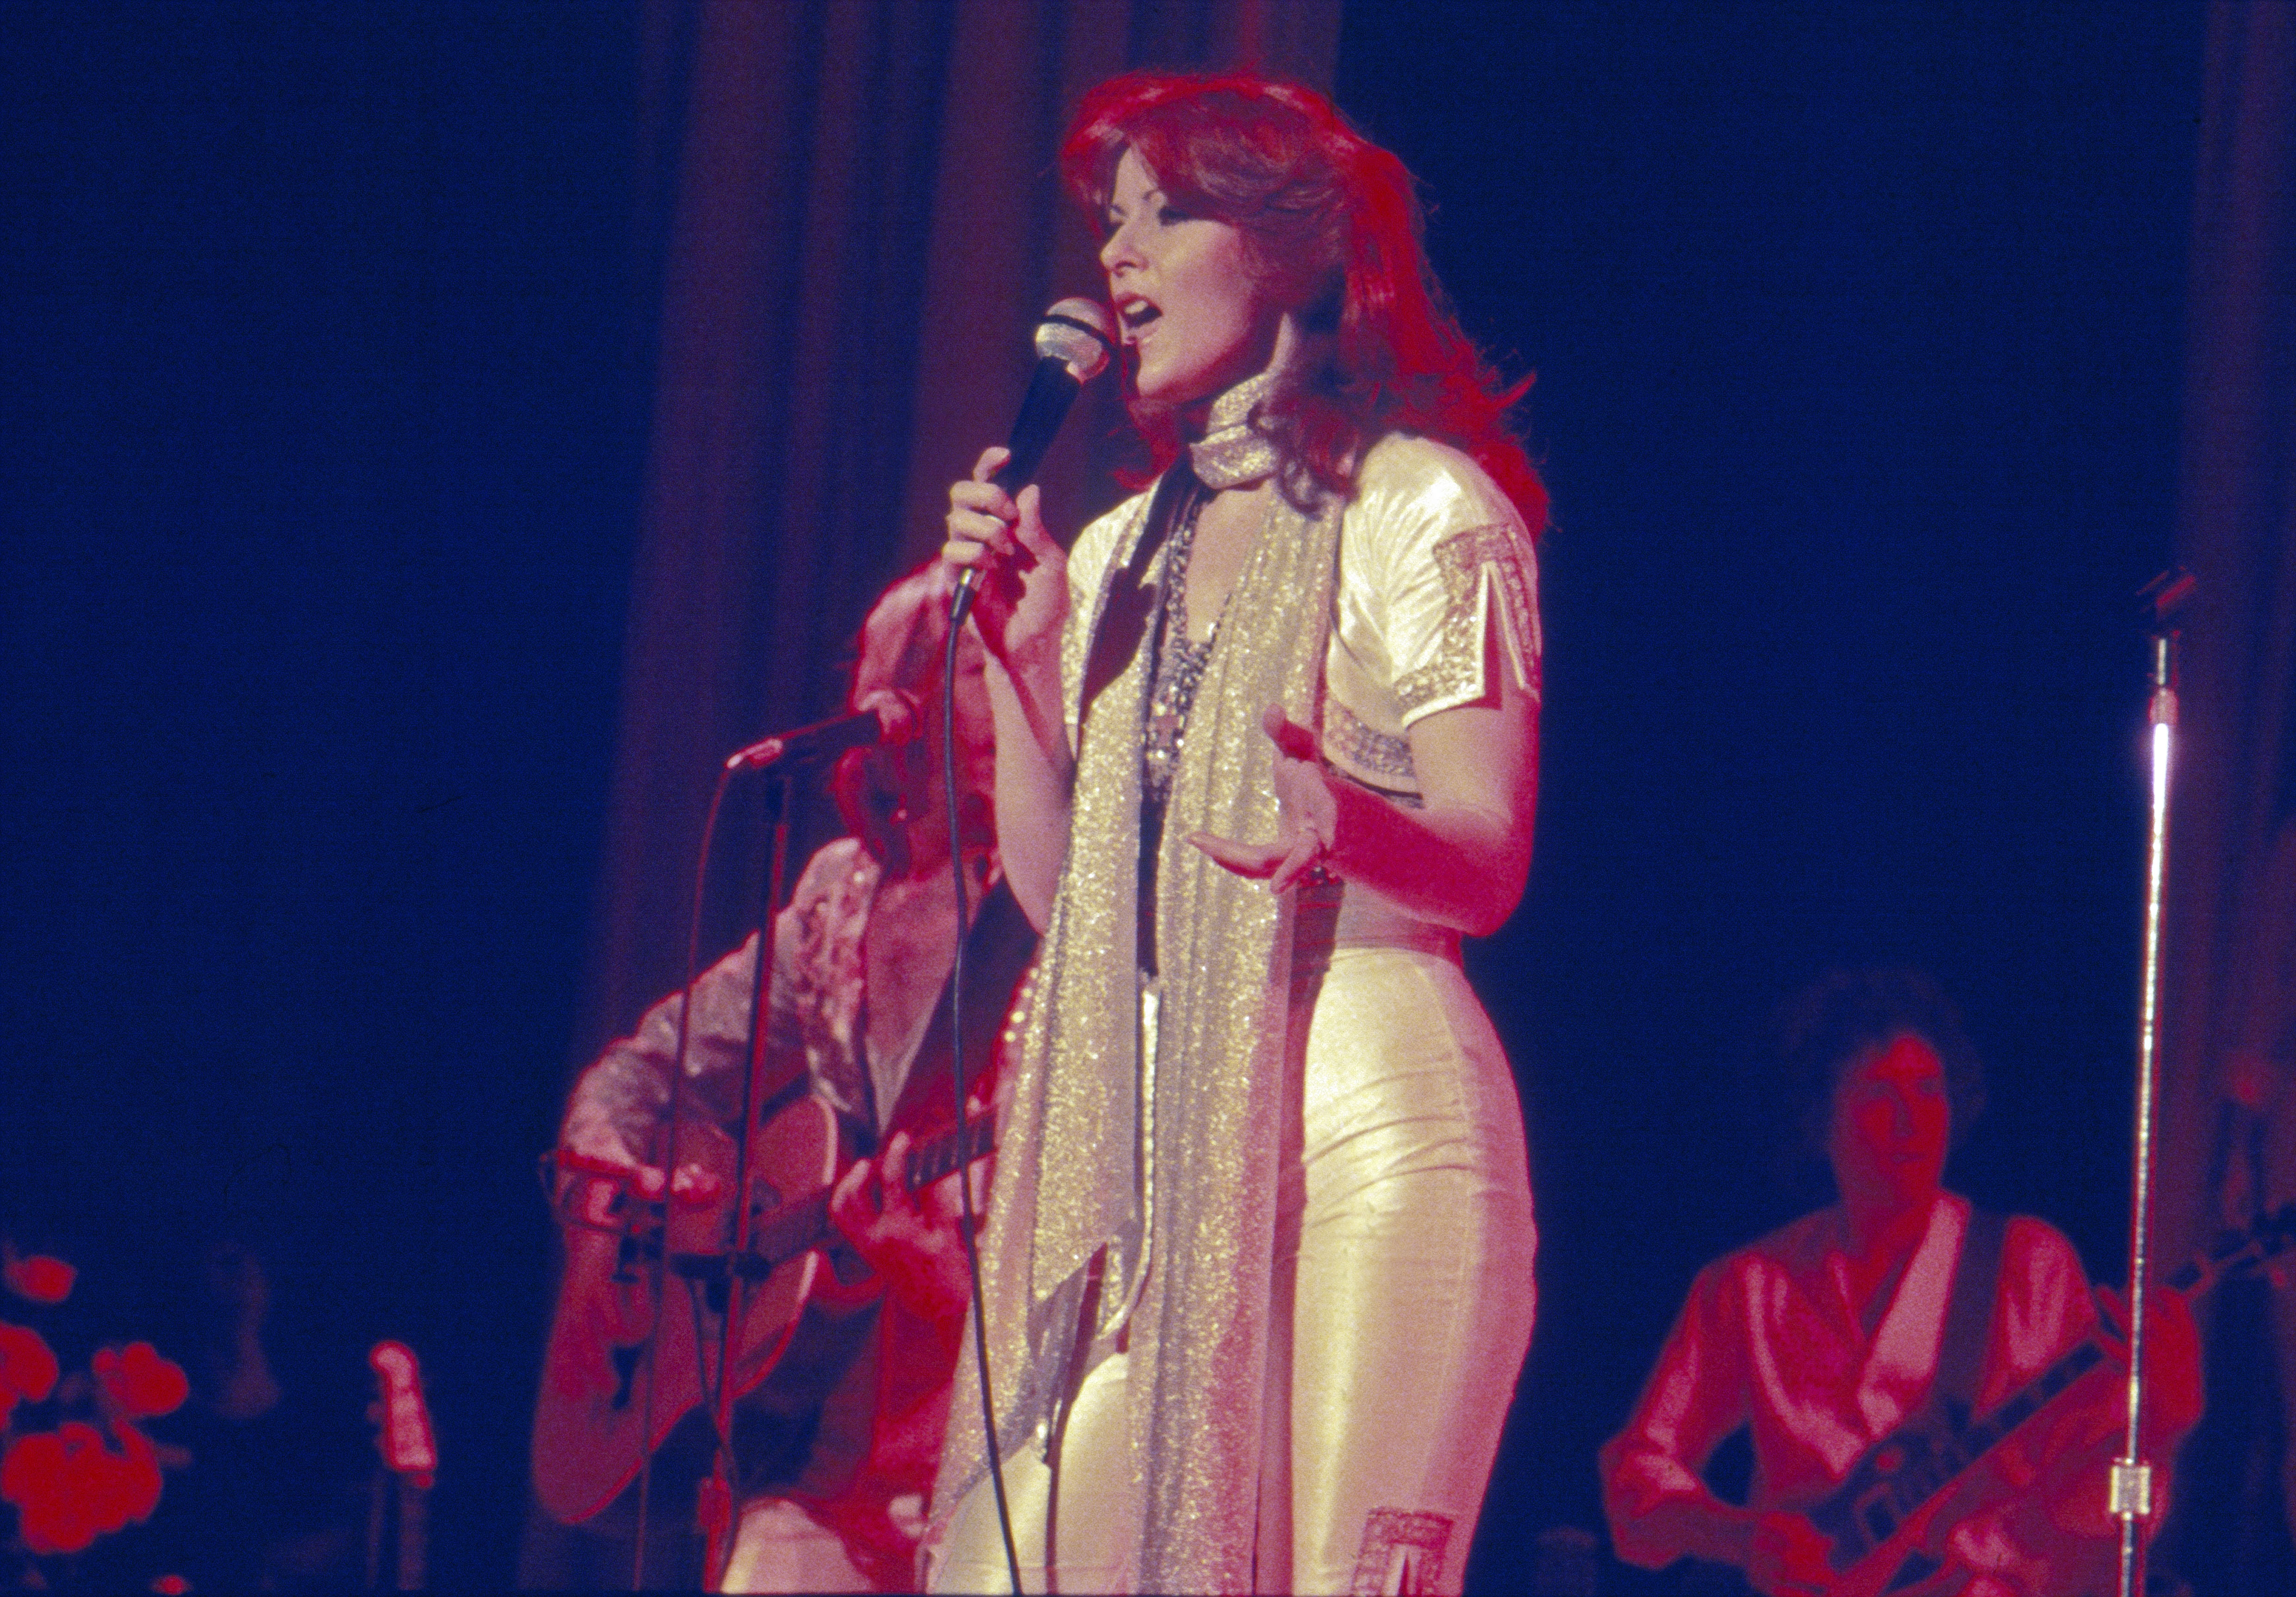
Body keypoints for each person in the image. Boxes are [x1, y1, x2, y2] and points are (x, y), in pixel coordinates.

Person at [933, 71, 1543, 1594]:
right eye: (1109, 226)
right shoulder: (1115, 554)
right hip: (1164, 1149)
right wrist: (1021, 669)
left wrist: (1348, 819)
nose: (1117, 260)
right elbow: (1067, 896)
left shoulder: (1420, 507)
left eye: (1163, 214)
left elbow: (1487, 856)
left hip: (1374, 1123)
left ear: (1290, 243)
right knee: (1003, 1566)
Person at [548, 563, 1037, 1593]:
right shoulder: (836, 895)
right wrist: (600, 1237)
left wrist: (945, 1269)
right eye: (975, 657)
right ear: (895, 705)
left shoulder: (1053, 898)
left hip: (984, 1420)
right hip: (814, 1427)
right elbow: (647, 1075)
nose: (1017, 676)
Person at [1601, 968, 2205, 1597]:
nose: (1908, 1120)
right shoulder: (1749, 1286)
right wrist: (1739, 1537)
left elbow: (2114, 1517)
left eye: (1928, 1089)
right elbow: (1634, 1486)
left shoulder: (2029, 1268)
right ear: (1818, 1115)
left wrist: (2158, 1436)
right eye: (1877, 1093)